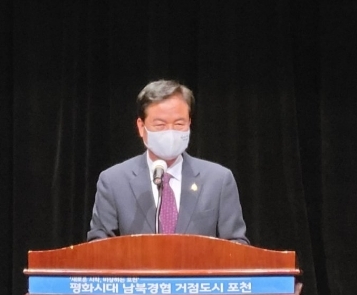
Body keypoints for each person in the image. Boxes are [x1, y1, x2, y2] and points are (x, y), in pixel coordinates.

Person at [87, 80, 248, 244]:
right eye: (160, 124)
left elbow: (236, 244)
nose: (170, 132)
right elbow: (98, 246)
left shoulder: (218, 180)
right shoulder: (114, 181)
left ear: (189, 123)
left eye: (179, 124)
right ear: (141, 127)